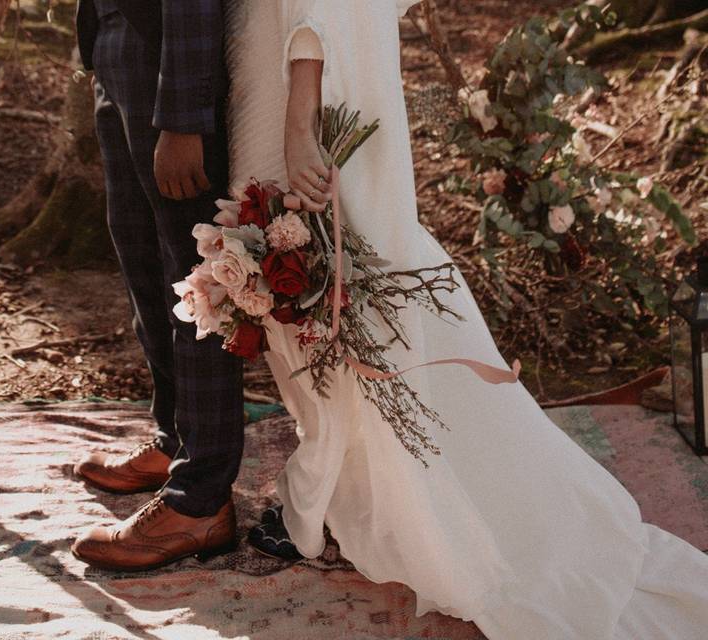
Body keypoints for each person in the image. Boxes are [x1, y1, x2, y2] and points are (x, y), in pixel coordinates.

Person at [225, 1, 708, 638]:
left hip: (311, 96)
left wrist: (298, 121)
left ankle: (328, 505)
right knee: (333, 296)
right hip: (325, 74)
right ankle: (336, 495)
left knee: (327, 297)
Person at [70, 0, 245, 572]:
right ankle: (174, 439)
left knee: (195, 285)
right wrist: (95, 45)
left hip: (165, 67)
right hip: (118, 54)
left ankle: (200, 500)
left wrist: (184, 118)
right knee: (143, 263)